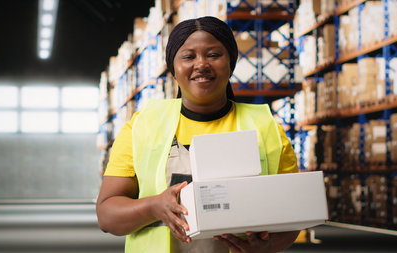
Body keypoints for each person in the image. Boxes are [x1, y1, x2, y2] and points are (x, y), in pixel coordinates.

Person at [96, 16, 300, 253]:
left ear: (231, 63)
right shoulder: (142, 127)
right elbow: (107, 216)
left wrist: (270, 245)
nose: (201, 64)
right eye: (188, 56)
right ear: (173, 67)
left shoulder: (266, 128)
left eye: (213, 55)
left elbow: (292, 212)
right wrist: (153, 206)